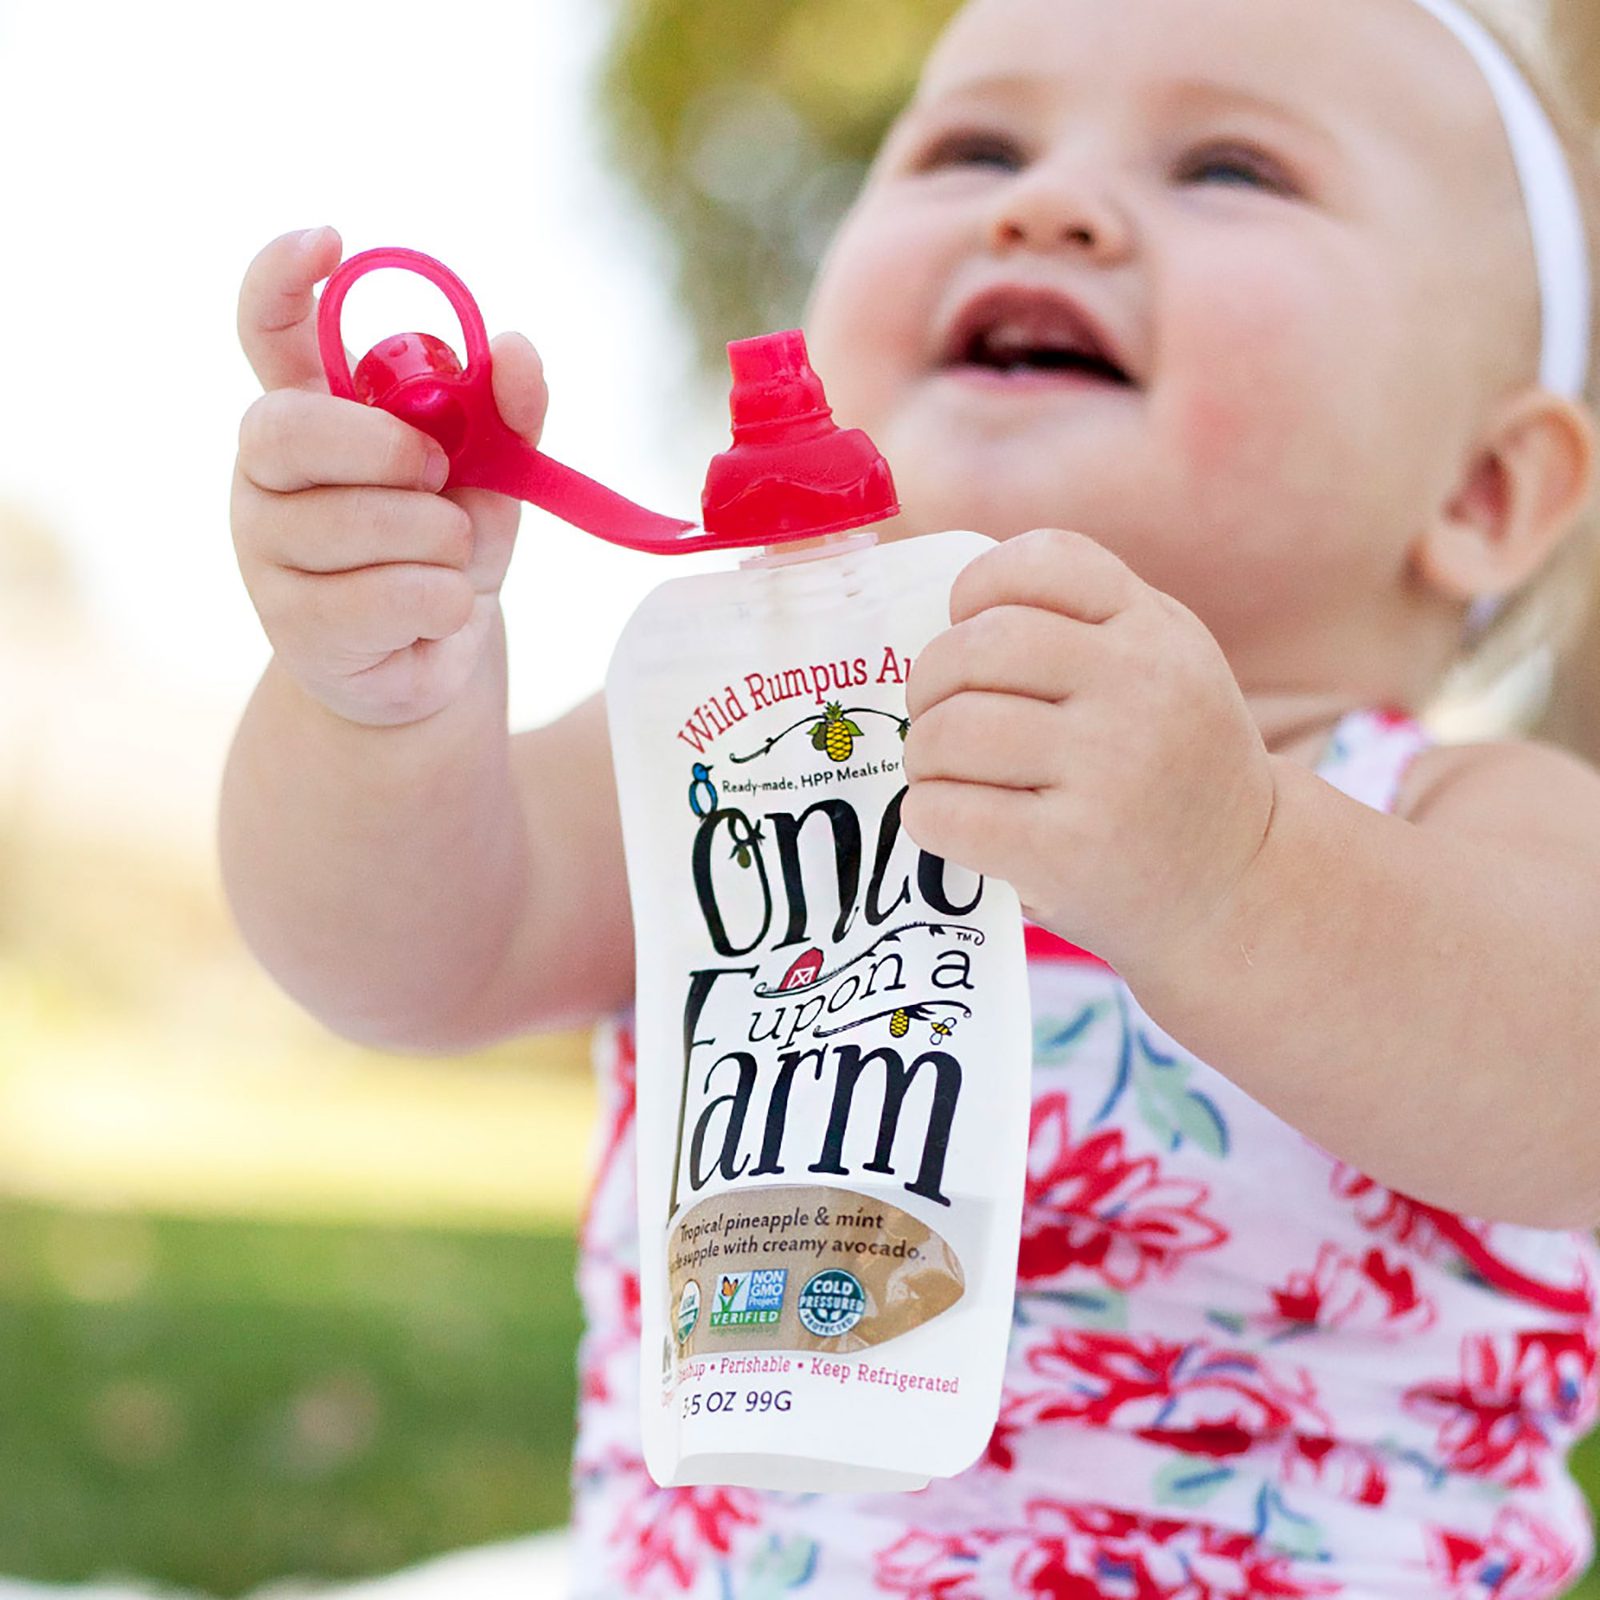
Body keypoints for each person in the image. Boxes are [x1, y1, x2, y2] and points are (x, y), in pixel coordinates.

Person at [221, 0, 1600, 1591]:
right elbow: (409, 957)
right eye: (973, 148)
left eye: (1229, 167)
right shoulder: (742, 747)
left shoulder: (1470, 822)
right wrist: (377, 707)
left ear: (1484, 491)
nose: (1047, 203)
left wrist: (1237, 866)